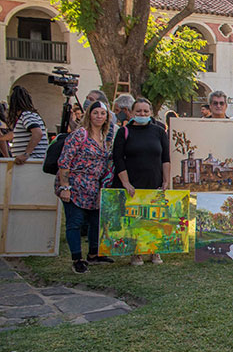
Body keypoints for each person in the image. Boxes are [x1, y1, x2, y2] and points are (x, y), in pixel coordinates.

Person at [111, 98, 171, 265]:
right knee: (135, 217)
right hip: (133, 183)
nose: (142, 114)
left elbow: (165, 158)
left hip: (154, 181)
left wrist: (166, 180)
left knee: (154, 217)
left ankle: (154, 250)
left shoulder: (159, 132)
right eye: (138, 111)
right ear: (132, 113)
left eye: (145, 111)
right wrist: (126, 182)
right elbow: (118, 158)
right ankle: (136, 252)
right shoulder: (124, 132)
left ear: (150, 113)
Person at [57, 100, 114, 273]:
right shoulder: (80, 134)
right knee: (75, 222)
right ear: (89, 114)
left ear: (106, 117)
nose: (99, 116)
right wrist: (65, 186)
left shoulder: (104, 138)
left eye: (102, 113)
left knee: (95, 221)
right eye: (95, 112)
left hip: (93, 186)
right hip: (75, 183)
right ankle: (77, 259)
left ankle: (94, 254)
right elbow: (65, 160)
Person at [7, 85, 48, 164]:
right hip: (31, 161)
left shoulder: (26, 115)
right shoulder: (30, 115)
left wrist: (26, 154)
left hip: (31, 161)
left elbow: (37, 133)